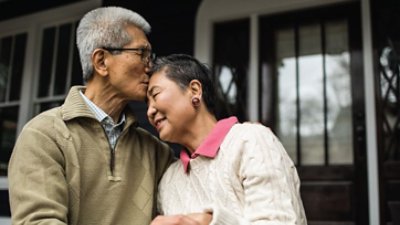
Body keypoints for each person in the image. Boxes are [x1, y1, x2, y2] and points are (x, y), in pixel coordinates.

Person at [8, 6, 177, 225]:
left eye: (150, 56)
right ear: (101, 61)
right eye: (141, 54)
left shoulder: (155, 151)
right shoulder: (43, 135)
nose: (150, 66)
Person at [147, 54, 308, 225]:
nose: (149, 111)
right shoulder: (168, 182)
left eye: (155, 95)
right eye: (147, 103)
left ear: (194, 90)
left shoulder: (250, 141)